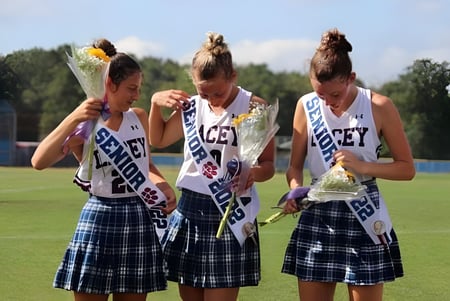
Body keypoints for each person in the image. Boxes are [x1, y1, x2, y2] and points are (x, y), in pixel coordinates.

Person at [31, 38, 176, 301]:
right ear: (110, 84)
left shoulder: (139, 117)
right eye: (131, 88)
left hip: (138, 217)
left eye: (138, 88)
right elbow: (38, 161)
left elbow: (147, 165)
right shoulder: (85, 126)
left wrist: (162, 184)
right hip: (99, 217)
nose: (136, 95)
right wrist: (75, 116)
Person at [281, 28, 415, 301]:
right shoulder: (305, 106)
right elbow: (294, 168)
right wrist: (296, 190)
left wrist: (363, 167)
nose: (328, 103)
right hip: (318, 214)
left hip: (365, 215)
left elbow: (406, 168)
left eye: (334, 95)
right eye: (320, 95)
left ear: (351, 78)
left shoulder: (379, 106)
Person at [148, 32, 276, 301]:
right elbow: (157, 139)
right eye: (202, 91)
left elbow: (268, 166)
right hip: (190, 210)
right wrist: (154, 104)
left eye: (217, 91)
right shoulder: (193, 107)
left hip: (230, 211)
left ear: (233, 76)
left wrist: (251, 174)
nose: (211, 99)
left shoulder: (254, 107)